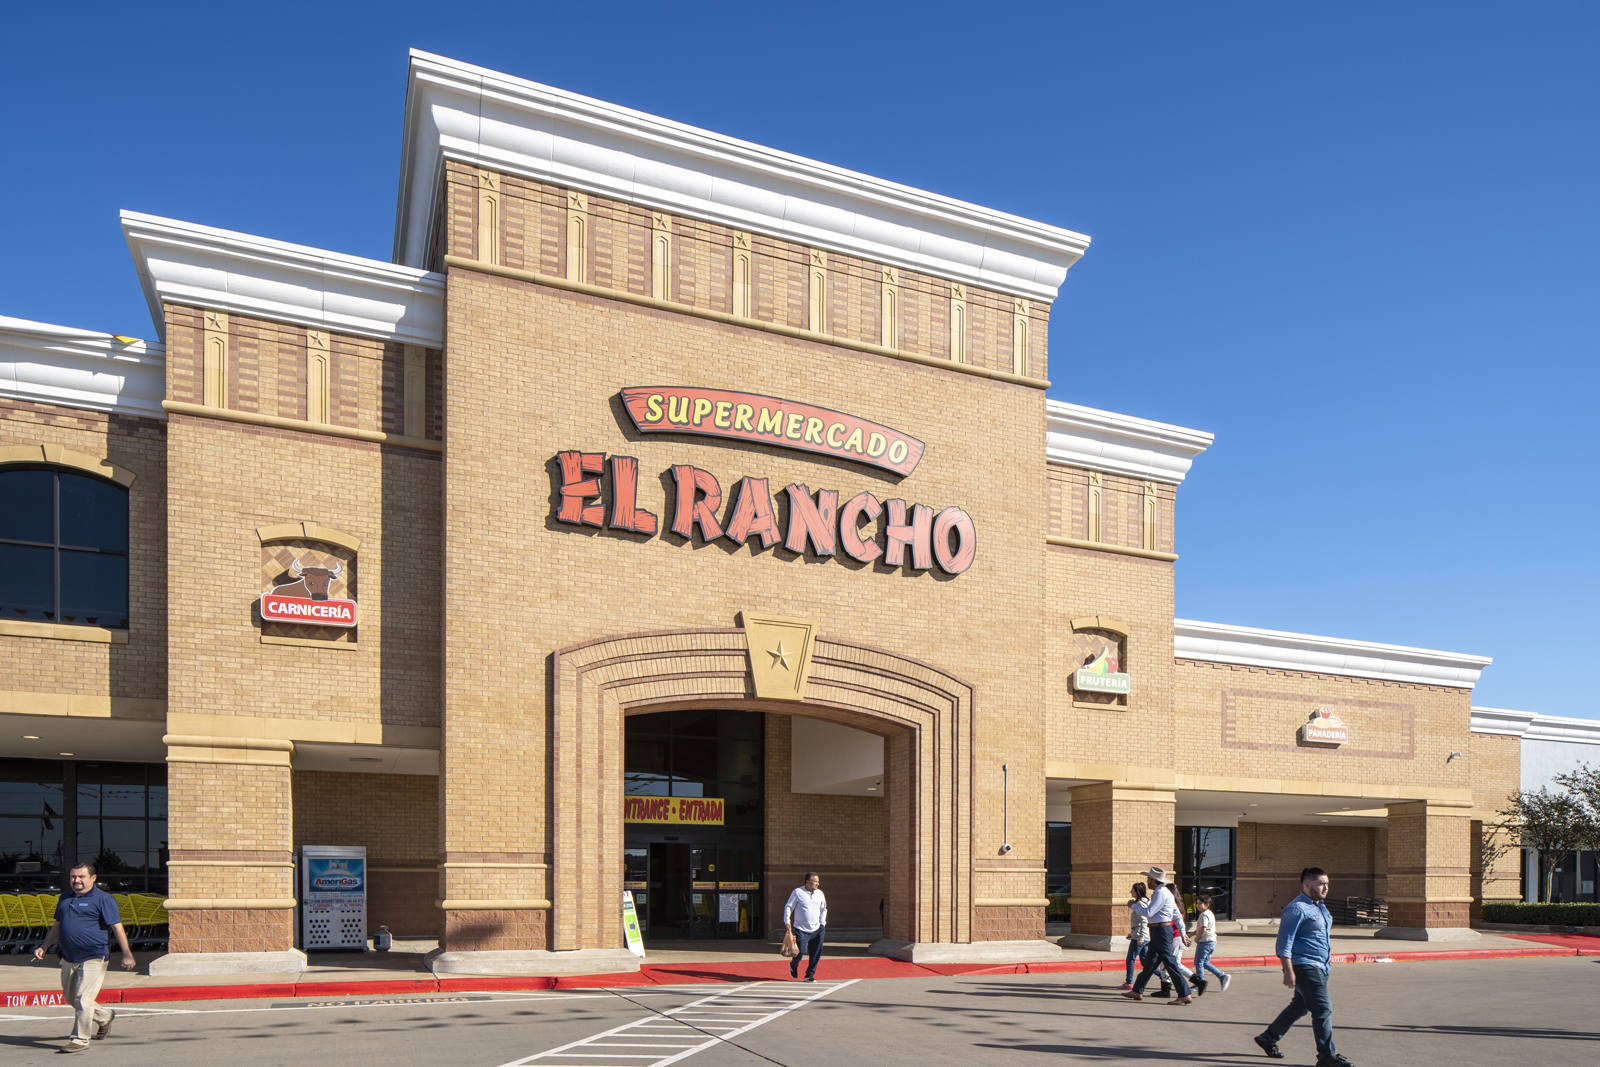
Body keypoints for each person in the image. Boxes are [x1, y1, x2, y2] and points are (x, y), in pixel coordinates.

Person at [1253, 867, 1353, 1067]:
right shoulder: (1296, 909)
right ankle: (1326, 1056)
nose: (1326, 887)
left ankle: (1269, 1037)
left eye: (1327, 883)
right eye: (1321, 883)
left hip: (1321, 966)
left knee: (1300, 1006)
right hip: (1305, 966)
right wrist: (1288, 970)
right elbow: (1284, 942)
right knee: (1323, 1009)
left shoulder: (1320, 907)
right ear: (1307, 885)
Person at [33, 862, 137, 1053]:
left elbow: (116, 927)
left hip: (94, 956)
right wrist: (44, 946)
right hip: (68, 957)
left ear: (93, 878)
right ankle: (104, 1016)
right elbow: (57, 925)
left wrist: (127, 954)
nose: (77, 880)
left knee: (83, 998)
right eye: (73, 877)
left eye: (81, 877)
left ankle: (80, 1038)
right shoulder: (65, 897)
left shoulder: (103, 899)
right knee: (71, 997)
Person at [1121, 865, 1204, 1004]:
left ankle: (1184, 994)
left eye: (1149, 879)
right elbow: (1177, 915)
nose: (1147, 881)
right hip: (1160, 931)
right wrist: (1183, 933)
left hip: (1161, 931)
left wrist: (1133, 906)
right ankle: (1137, 990)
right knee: (1150, 963)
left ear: (1153, 880)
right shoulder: (1166, 892)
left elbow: (1149, 912)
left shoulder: (1160, 893)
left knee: (1170, 963)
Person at [783, 871, 827, 981]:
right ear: (807, 882)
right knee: (801, 951)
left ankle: (809, 975)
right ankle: (794, 964)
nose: (817, 884)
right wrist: (787, 921)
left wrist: (822, 923)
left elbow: (824, 909)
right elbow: (789, 907)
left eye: (818, 882)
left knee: (816, 952)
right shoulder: (797, 892)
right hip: (801, 929)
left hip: (818, 929)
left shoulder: (820, 893)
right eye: (815, 882)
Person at [1192, 893, 1231, 991]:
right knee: (1205, 962)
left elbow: (1203, 929)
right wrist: (1191, 934)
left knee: (1198, 962)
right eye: (1197, 903)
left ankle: (1199, 983)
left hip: (1205, 942)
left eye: (1200, 903)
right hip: (1212, 941)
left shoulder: (1204, 915)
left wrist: (1196, 938)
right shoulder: (1210, 913)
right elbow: (1202, 928)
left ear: (1207, 905)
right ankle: (1222, 976)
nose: (1198, 905)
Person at [1119, 881, 1151, 989]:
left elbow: (1143, 921)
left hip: (1140, 937)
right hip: (1141, 935)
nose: (1130, 892)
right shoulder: (1144, 903)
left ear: (1137, 892)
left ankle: (1129, 982)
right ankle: (1163, 978)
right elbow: (1139, 923)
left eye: (1132, 890)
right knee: (1145, 961)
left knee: (1130, 959)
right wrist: (1132, 933)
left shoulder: (1139, 904)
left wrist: (1140, 937)